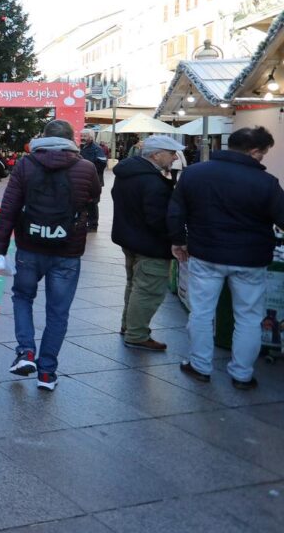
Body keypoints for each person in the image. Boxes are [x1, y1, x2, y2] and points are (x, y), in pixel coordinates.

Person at [168, 126, 284, 390]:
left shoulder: (194, 174)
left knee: (201, 312)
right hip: (251, 259)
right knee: (249, 316)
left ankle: (199, 366)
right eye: (263, 154)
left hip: (206, 254)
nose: (262, 159)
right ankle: (242, 374)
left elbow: (175, 212)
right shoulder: (267, 183)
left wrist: (178, 241)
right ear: (254, 151)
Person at [0, 119, 101, 391]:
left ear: (42, 137)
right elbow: (94, 198)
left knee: (23, 297)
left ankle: (26, 352)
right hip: (68, 250)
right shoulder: (86, 167)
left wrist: (0, 249)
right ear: (72, 139)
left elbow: (10, 208)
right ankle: (47, 372)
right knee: (58, 311)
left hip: (30, 246)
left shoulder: (26, 165)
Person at [111, 135, 185, 352]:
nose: (174, 158)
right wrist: (175, 238)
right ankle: (137, 334)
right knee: (148, 291)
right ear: (156, 154)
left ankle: (129, 327)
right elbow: (158, 219)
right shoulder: (153, 182)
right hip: (150, 244)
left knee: (134, 285)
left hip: (130, 239)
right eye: (171, 153)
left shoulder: (127, 174)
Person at [79, 130, 108, 232]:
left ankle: (93, 225)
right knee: (84, 202)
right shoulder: (80, 147)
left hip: (94, 180)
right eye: (81, 135)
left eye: (85, 136)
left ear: (91, 137)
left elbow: (102, 163)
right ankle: (84, 222)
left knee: (92, 203)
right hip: (83, 179)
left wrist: (90, 171)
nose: (82, 137)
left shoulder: (97, 149)